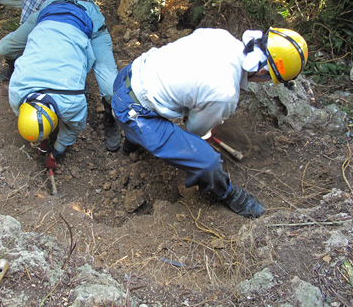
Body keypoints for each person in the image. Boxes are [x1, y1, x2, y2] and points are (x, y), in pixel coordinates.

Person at [111, 27, 308, 218]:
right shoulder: (225, 94)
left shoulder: (222, 37)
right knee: (208, 162)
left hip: (129, 73)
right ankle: (227, 194)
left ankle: (132, 143)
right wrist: (202, 129)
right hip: (134, 112)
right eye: (270, 79)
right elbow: (193, 130)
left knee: (163, 113)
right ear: (263, 71)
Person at [4, 0, 120, 171]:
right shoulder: (16, 92)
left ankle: (111, 119)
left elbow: (73, 129)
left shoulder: (71, 102)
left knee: (111, 90)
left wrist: (56, 152)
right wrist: (40, 140)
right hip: (50, 10)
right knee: (4, 48)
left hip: (86, 19)